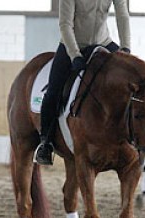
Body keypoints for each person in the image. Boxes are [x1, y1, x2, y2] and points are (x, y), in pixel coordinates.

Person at [34, 0, 131, 165]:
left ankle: (134, 138)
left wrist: (126, 48)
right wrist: (74, 55)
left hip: (104, 42)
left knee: (130, 80)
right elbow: (65, 25)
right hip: (71, 45)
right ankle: (46, 142)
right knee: (53, 91)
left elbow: (123, 16)